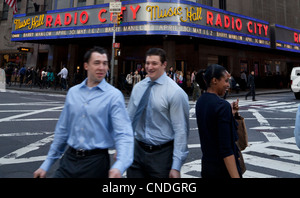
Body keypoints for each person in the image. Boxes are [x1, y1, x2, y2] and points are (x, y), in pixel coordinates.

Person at [33, 46, 133, 179]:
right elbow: (62, 131)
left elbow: (124, 133)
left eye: (105, 63)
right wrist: (46, 165)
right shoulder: (73, 93)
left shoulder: (114, 96)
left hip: (96, 163)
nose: (102, 67)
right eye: (97, 63)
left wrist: (119, 166)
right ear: (86, 66)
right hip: (69, 160)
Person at [127, 47, 189, 178]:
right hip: (136, 151)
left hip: (161, 155)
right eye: (147, 63)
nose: (149, 67)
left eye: (154, 63)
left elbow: (181, 130)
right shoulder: (138, 88)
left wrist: (176, 166)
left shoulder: (175, 93)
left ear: (164, 65)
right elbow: (129, 119)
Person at [195, 64, 242, 179]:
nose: (228, 85)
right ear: (214, 80)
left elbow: (211, 125)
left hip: (207, 168)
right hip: (222, 171)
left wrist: (230, 114)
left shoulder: (200, 101)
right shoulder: (222, 106)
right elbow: (226, 150)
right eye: (225, 81)